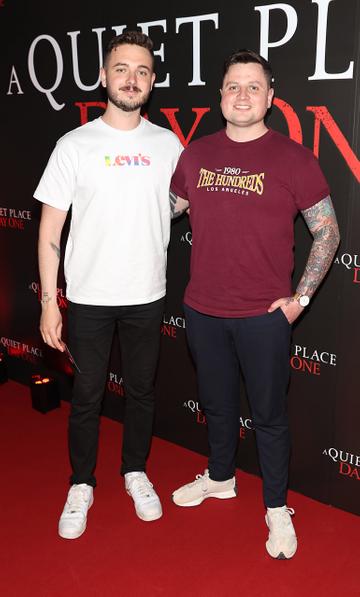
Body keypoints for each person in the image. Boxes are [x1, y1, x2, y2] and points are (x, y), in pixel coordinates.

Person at [170, 49, 340, 559]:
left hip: (264, 318)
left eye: (252, 86)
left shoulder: (294, 158)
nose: (241, 94)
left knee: (268, 417)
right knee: (217, 406)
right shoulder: (195, 155)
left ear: (269, 97)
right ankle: (220, 478)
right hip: (202, 309)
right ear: (220, 96)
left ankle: (275, 507)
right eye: (231, 86)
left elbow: (327, 231)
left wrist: (301, 298)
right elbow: (162, 214)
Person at [35, 31, 183, 539]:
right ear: (103, 76)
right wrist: (50, 303)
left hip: (146, 293)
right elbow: (50, 227)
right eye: (122, 68)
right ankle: (81, 483)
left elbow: (182, 200)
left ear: (152, 82)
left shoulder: (167, 144)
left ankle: (136, 471)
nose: (131, 78)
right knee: (88, 396)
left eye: (142, 71)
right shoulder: (74, 145)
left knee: (142, 392)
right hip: (90, 297)